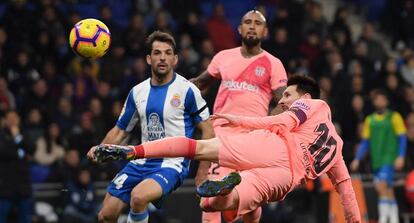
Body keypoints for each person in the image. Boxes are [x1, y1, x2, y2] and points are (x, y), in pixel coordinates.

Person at [88, 75, 362, 223]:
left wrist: (238, 120)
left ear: (305, 96)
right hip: (288, 178)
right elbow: (347, 193)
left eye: (286, 95)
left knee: (199, 148)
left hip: (273, 145)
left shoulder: (314, 104)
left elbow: (282, 119)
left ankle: (133, 151)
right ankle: (228, 189)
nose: (281, 100)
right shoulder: (336, 151)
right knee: (219, 203)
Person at [92, 31, 214, 223]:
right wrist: (100, 149)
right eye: (157, 53)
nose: (162, 57)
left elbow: (208, 130)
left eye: (167, 53)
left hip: (172, 164)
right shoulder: (137, 92)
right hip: (141, 160)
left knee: (138, 197)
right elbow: (120, 131)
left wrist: (202, 171)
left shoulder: (188, 90)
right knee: (106, 215)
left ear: (175, 59)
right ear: (149, 59)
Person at [191, 9, 287, 223]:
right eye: (247, 22)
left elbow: (283, 101)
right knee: (210, 202)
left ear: (265, 31)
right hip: (221, 138)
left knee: (248, 207)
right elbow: (199, 84)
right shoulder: (223, 57)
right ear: (239, 28)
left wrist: (265, 128)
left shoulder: (273, 63)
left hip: (252, 141)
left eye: (257, 23)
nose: (252, 26)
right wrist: (174, 89)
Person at [350, 89, 406, 223]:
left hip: (389, 158)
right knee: (388, 189)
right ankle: (393, 219)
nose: (379, 101)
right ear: (374, 102)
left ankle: (383, 219)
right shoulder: (370, 120)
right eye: (377, 99)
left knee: (380, 186)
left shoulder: (394, 117)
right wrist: (357, 158)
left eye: (382, 99)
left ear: (386, 101)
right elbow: (365, 142)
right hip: (377, 159)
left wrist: (401, 156)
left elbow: (402, 138)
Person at [0, 110, 33, 223]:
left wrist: (17, 137)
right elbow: (3, 152)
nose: (12, 121)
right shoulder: (1, 135)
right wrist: (21, 152)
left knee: (25, 217)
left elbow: (31, 149)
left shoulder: (24, 134)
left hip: (23, 182)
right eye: (9, 118)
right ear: (4, 120)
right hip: (6, 183)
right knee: (2, 215)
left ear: (18, 119)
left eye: (14, 118)